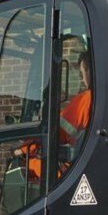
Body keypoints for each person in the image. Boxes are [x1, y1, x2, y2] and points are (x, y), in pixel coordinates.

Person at [16, 51, 92, 179]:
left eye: (82, 73)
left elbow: (55, 132)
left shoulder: (86, 101)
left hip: (79, 170)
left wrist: (23, 151)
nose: (82, 79)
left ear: (90, 71)